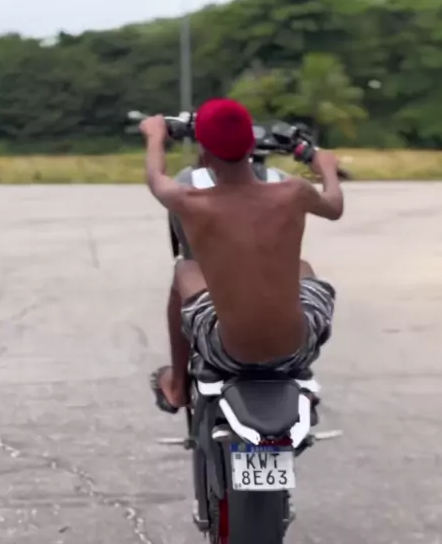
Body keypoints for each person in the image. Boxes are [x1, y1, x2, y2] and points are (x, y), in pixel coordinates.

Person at [140, 99, 343, 413]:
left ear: (204, 152)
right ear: (251, 144)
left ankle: (178, 386)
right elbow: (334, 207)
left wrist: (155, 135)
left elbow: (155, 176)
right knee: (302, 267)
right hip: (299, 347)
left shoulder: (188, 200)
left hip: (227, 353)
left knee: (185, 269)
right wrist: (325, 166)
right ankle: (300, 377)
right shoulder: (295, 191)